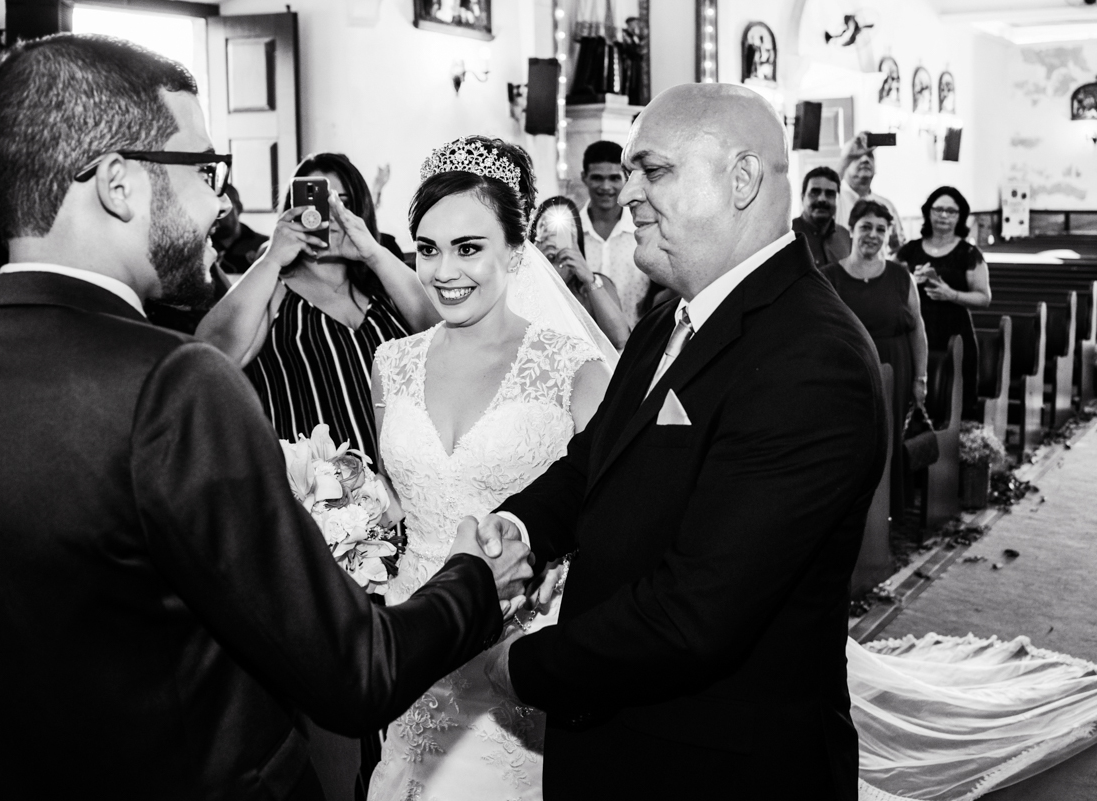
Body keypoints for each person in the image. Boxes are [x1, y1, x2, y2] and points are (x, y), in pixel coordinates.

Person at [0, 34, 533, 799]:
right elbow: (354, 668)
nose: (223, 204)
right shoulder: (170, 386)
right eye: (204, 170)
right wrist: (476, 582)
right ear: (119, 184)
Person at [476, 83, 888, 799]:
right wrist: (518, 527)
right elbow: (594, 461)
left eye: (653, 169)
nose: (628, 191)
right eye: (629, 171)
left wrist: (522, 665)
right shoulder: (670, 318)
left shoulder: (812, 357)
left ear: (742, 179)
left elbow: (698, 613)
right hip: (623, 742)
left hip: (718, 765)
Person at [366, 136, 614, 801]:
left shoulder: (574, 369)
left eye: (469, 247)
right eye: (427, 247)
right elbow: (397, 503)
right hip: (413, 642)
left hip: (519, 655)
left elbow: (607, 520)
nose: (445, 270)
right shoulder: (391, 363)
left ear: (515, 248)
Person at [196, 152, 438, 462]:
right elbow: (211, 356)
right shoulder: (273, 292)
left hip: (410, 483)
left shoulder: (385, 286)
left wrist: (372, 253)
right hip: (322, 496)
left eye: (344, 203)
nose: (331, 216)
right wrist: (272, 257)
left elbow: (444, 332)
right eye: (319, 204)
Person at [824, 200, 928, 521]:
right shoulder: (830, 277)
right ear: (851, 230)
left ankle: (888, 514)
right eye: (865, 227)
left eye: (881, 229)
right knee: (854, 445)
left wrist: (920, 379)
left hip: (895, 370)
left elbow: (918, 330)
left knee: (891, 441)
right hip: (848, 377)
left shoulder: (900, 276)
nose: (873, 235)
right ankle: (853, 517)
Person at [897, 186, 991, 420]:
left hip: (954, 332)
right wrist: (909, 281)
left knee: (954, 392)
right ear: (928, 212)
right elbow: (889, 285)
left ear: (960, 216)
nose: (944, 215)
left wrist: (952, 294)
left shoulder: (968, 253)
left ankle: (956, 445)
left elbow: (984, 297)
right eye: (938, 209)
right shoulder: (910, 250)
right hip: (916, 331)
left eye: (951, 211)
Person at [531, 196, 630, 350]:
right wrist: (535, 263)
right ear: (537, 235)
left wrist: (589, 279)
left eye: (564, 228)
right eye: (548, 228)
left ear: (576, 235)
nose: (556, 234)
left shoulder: (595, 282)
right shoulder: (523, 281)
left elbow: (620, 339)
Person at [578, 140, 650, 325]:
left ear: (625, 178)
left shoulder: (643, 229)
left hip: (638, 342)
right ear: (584, 177)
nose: (605, 186)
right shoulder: (571, 233)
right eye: (597, 178)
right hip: (584, 345)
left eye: (614, 178)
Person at [837, 132, 905, 253]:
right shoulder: (835, 201)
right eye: (857, 156)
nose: (865, 159)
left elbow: (898, 249)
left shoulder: (886, 205)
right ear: (846, 163)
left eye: (870, 155)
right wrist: (846, 157)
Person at [792, 165, 852, 267]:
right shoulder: (787, 235)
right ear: (802, 197)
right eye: (815, 192)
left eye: (830, 194)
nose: (822, 199)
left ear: (838, 200)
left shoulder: (844, 236)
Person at [211, 182, 269, 275]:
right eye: (210, 208)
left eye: (221, 208)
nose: (215, 214)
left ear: (238, 208)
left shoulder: (264, 245)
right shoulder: (199, 247)